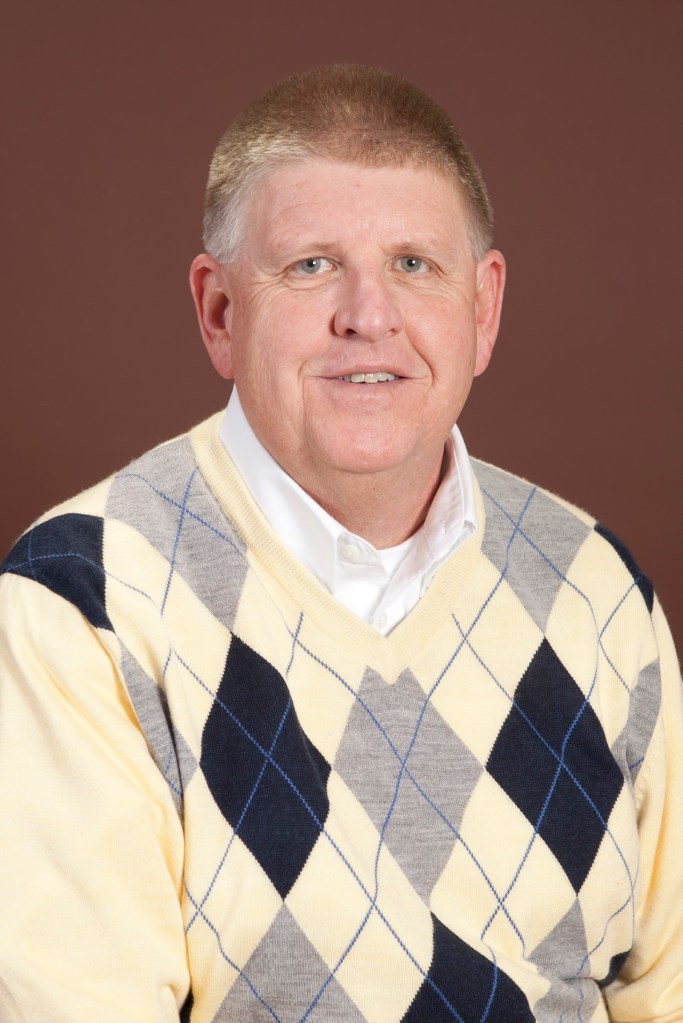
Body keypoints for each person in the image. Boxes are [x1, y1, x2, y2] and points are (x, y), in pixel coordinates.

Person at [0, 64, 681, 1023]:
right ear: (220, 312)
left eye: (414, 264)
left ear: (482, 308)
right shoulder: (85, 601)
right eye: (312, 265)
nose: (369, 314)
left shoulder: (593, 588)